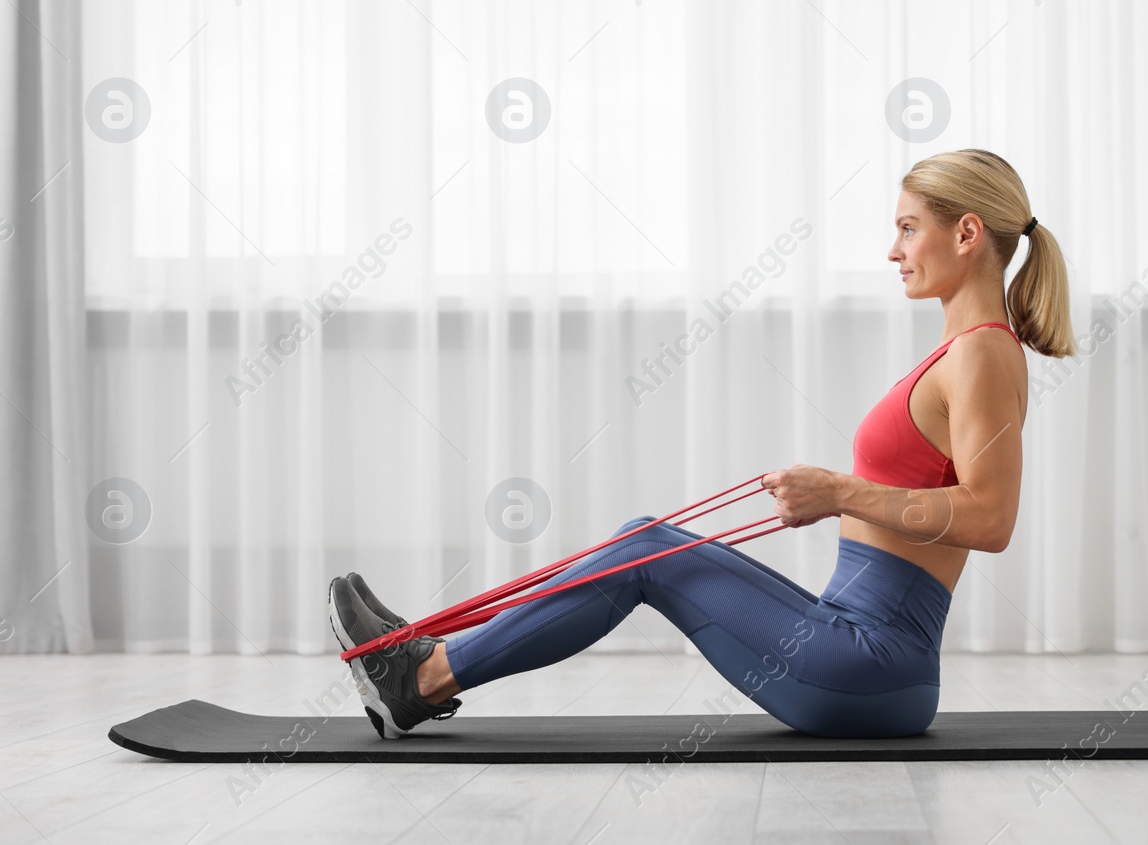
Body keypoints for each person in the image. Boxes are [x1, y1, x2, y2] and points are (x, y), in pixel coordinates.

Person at [329, 148, 1075, 739]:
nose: (893, 249)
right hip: (848, 640)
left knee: (639, 553)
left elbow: (990, 518)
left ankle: (421, 679)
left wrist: (840, 491)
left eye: (909, 226)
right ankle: (424, 654)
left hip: (872, 668)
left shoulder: (982, 351)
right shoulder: (960, 351)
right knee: (644, 540)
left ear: (967, 232)